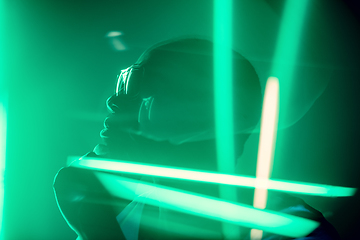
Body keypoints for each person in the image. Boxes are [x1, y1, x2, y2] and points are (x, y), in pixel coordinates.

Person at [53, 38, 341, 240]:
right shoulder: (121, 212)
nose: (115, 102)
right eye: (123, 82)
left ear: (200, 113)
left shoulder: (285, 226)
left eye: (139, 83)